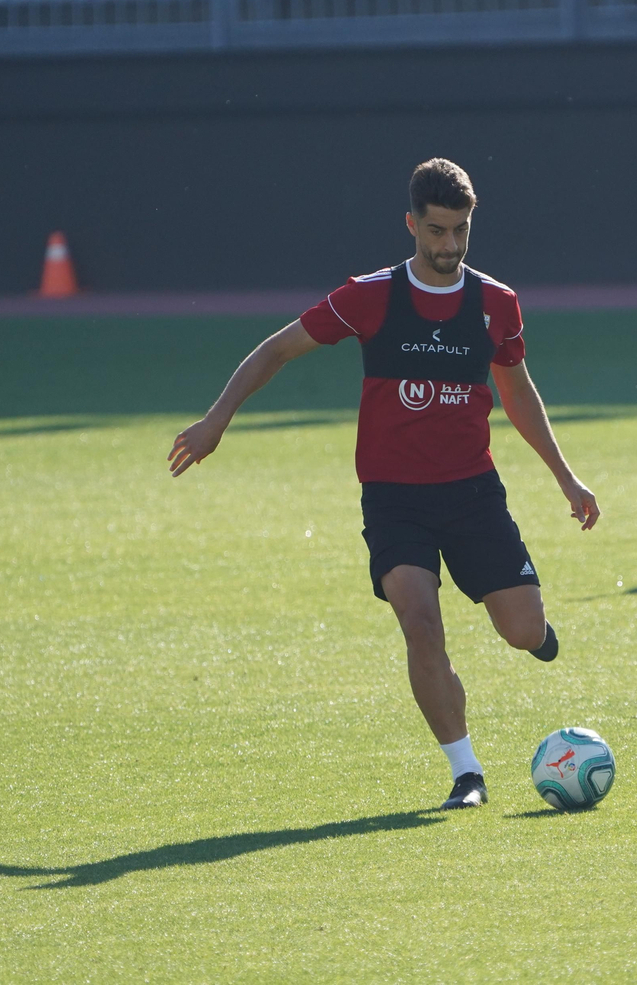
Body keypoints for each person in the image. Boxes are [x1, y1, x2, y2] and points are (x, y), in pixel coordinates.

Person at [168, 158, 600, 811]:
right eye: (435, 231)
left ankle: (536, 636)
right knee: (420, 622)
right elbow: (276, 350)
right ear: (410, 224)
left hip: (474, 493)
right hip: (395, 500)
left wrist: (566, 479)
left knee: (520, 629)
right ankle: (467, 774)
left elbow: (515, 390)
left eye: (460, 230)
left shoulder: (496, 304)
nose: (448, 245)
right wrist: (215, 420)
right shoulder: (369, 297)